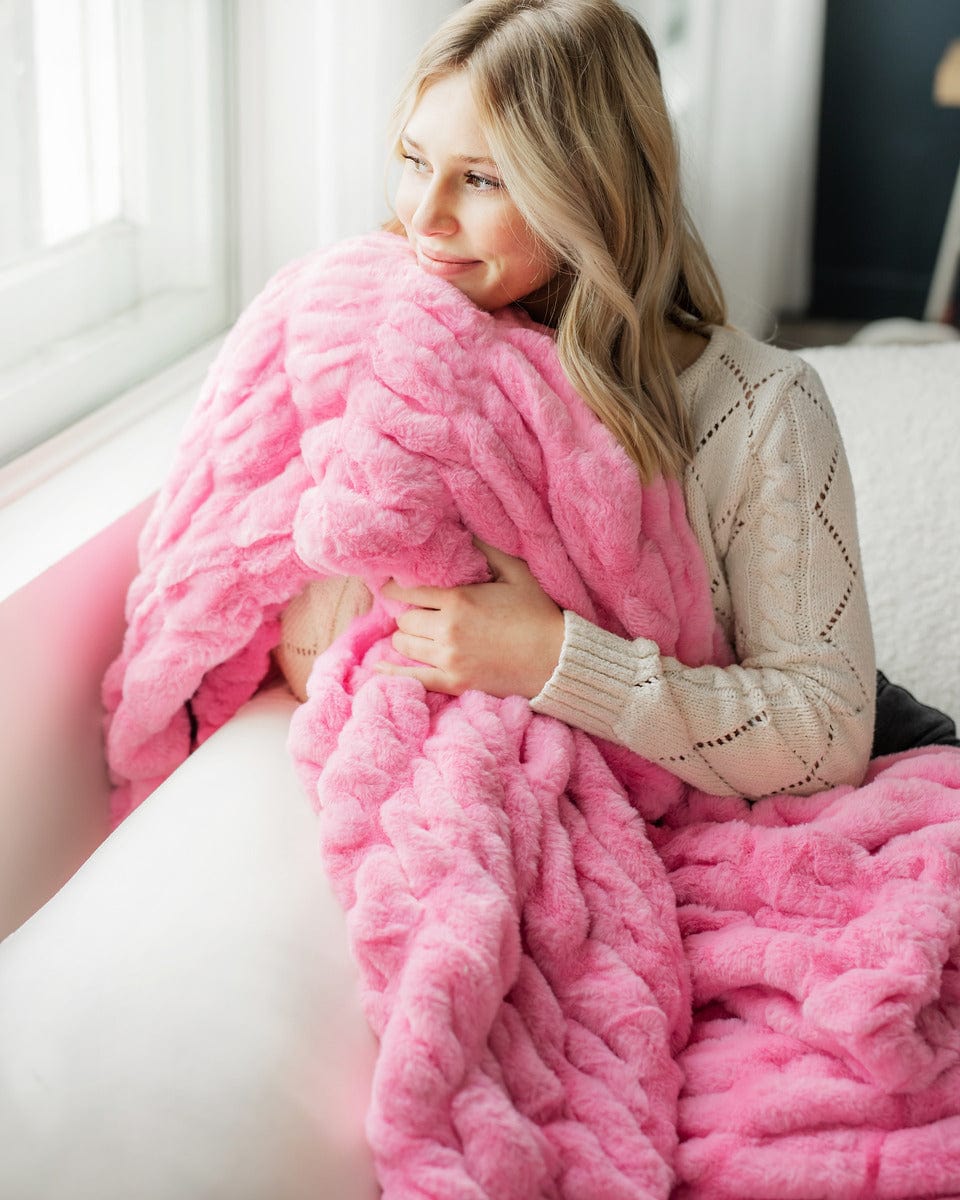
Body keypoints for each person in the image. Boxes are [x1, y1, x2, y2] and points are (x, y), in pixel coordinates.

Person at [276, 0, 889, 800]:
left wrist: (551, 657)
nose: (423, 217)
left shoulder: (763, 409)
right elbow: (296, 640)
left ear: (589, 195)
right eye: (416, 159)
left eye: (483, 179)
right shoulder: (381, 346)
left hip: (743, 745)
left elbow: (827, 734)